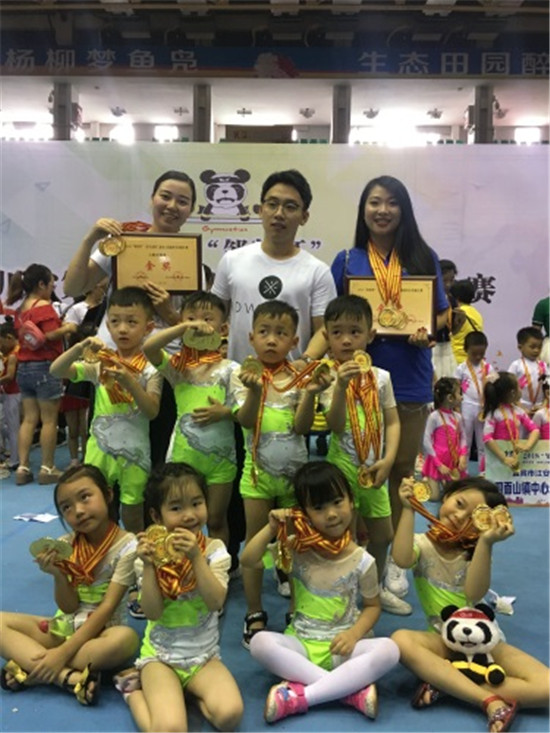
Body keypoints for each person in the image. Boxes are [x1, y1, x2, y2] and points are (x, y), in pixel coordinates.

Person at [330, 175, 450, 604]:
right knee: (356, 467)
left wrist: (426, 331)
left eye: (392, 203)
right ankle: (352, 556)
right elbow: (331, 318)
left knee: (400, 471)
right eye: (374, 202)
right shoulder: (347, 260)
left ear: (404, 210)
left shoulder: (422, 256)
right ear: (363, 209)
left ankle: (396, 562)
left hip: (409, 377)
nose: (383, 210)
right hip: (357, 379)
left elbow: (442, 314)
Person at [211, 169, 337, 576]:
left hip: (288, 392)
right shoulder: (233, 261)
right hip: (239, 385)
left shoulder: (316, 270)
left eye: (290, 206)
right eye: (272, 204)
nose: (280, 213)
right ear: (259, 209)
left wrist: (299, 369)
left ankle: (286, 565)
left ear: (304, 215)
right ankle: (236, 559)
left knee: (285, 476)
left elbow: (323, 330)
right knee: (238, 472)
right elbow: (214, 318)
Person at [241, 461, 400, 723]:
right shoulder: (295, 548)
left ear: (351, 501)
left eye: (338, 502)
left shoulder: (363, 560)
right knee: (259, 643)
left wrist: (353, 634)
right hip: (300, 645)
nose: (332, 514)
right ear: (303, 513)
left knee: (390, 649)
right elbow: (248, 560)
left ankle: (303, 695)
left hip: (344, 648)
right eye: (318, 508)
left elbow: (373, 607)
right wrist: (271, 528)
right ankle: (348, 691)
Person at [390, 476, 550, 732]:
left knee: (546, 687)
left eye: (474, 516)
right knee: (400, 640)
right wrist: (407, 508)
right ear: (447, 496)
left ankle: (447, 683)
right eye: (459, 503)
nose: (459, 516)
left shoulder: (476, 551)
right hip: (442, 640)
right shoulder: (422, 543)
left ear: (483, 524)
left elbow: (474, 593)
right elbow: (401, 558)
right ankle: (486, 699)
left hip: (485, 642)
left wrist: (486, 543)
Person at [63, 170, 197, 469]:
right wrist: (90, 238)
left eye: (182, 201)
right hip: (115, 363)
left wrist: (169, 314)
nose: (172, 206)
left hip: (164, 368)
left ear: (191, 210)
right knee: (108, 452)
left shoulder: (192, 259)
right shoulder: (122, 245)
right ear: (152, 199)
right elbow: (73, 287)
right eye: (165, 196)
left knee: (159, 457)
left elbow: (196, 332)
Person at [118, 462, 243, 733]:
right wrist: (149, 567)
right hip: (160, 658)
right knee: (171, 729)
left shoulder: (215, 550)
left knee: (230, 716)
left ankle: (185, 695)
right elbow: (152, 612)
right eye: (176, 508)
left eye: (197, 503)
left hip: (204, 658)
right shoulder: (148, 557)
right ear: (156, 515)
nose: (189, 515)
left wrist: (196, 557)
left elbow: (215, 602)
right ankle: (133, 694)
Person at [0, 464, 139, 705]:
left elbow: (107, 609)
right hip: (65, 627)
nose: (79, 511)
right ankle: (67, 678)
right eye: (67, 507)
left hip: (103, 632)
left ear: (108, 494)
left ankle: (32, 667)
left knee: (126, 640)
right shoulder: (65, 544)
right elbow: (68, 607)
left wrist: (61, 654)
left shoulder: (128, 546)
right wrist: (58, 575)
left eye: (85, 497)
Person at [235, 300, 330, 648]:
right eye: (264, 332)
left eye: (281, 333)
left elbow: (302, 428)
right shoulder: (243, 375)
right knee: (255, 542)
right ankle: (254, 610)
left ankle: (295, 609)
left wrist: (311, 395)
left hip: (295, 477)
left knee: (295, 543)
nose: (271, 339)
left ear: (295, 341)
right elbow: (245, 421)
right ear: (251, 337)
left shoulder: (300, 378)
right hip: (257, 476)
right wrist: (255, 392)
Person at [50, 287, 162, 533]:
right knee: (97, 513)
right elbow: (56, 370)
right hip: (99, 452)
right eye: (115, 322)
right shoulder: (101, 363)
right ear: (107, 326)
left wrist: (130, 382)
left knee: (133, 516)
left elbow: (152, 411)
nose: (122, 329)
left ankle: (135, 555)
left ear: (148, 327)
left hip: (135, 454)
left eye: (132, 322)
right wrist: (79, 348)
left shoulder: (151, 369)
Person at [318, 294, 404, 614]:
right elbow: (334, 425)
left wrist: (389, 460)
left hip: (375, 468)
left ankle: (374, 589)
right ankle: (344, 595)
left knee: (383, 534)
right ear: (326, 336)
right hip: (340, 470)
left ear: (370, 334)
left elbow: (393, 422)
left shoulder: (381, 377)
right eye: (337, 332)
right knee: (345, 536)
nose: (346, 340)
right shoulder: (327, 377)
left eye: (355, 332)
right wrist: (340, 387)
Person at [143, 291, 241, 547]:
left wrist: (225, 412)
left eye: (207, 319)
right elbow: (149, 348)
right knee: (177, 521)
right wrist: (182, 327)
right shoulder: (178, 368)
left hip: (221, 460)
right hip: (182, 459)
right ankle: (176, 565)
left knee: (216, 520)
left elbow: (246, 412)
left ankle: (219, 566)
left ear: (223, 328)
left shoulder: (231, 369)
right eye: (192, 318)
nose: (199, 325)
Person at [6, 264, 77, 485]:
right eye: (51, 283)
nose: (53, 287)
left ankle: (23, 467)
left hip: (24, 368)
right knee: (49, 420)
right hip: (45, 366)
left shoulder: (21, 309)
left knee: (29, 419)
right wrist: (68, 328)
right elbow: (50, 334)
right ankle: (47, 468)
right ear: (41, 284)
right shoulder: (44, 306)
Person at [482, 372, 540, 477]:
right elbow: (487, 438)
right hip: (496, 458)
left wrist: (528, 445)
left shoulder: (519, 412)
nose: (521, 389)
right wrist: (503, 457)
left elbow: (535, 430)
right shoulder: (494, 414)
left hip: (513, 457)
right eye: (519, 387)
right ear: (513, 392)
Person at [455, 331, 497, 472]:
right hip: (466, 406)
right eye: (474, 354)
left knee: (483, 441)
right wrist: (457, 409)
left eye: (481, 353)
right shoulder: (461, 368)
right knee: (465, 441)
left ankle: (483, 472)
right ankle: (463, 471)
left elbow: (493, 387)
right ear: (466, 350)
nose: (478, 357)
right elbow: (456, 389)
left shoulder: (488, 368)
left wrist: (490, 406)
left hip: (483, 407)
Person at [421, 377, 468, 501]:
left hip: (453, 460)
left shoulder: (458, 417)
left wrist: (463, 455)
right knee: (434, 497)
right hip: (437, 461)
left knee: (453, 495)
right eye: (460, 393)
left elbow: (463, 437)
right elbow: (426, 440)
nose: (462, 397)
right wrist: (438, 464)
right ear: (450, 398)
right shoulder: (434, 417)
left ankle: (444, 481)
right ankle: (428, 480)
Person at [507, 326, 547, 416]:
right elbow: (509, 388)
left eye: (539, 347)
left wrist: (543, 405)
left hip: (539, 408)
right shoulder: (516, 365)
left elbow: (547, 388)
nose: (536, 350)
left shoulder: (543, 366)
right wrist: (520, 406)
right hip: (520, 407)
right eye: (532, 347)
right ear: (520, 347)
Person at [0, 317, 21, 473]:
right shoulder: (15, 352)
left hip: (14, 393)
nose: (0, 347)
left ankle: (15, 460)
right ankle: (15, 456)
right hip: (12, 393)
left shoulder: (14, 355)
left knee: (14, 429)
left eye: (1, 343)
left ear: (9, 338)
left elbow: (10, 376)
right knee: (10, 426)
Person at [432, 259, 458, 379]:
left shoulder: (452, 300)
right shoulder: (430, 298)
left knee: (450, 381)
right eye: (444, 280)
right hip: (432, 346)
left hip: (447, 347)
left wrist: (460, 321)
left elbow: (454, 331)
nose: (448, 284)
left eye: (451, 280)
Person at [449, 279, 483, 366]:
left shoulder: (456, 313)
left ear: (456, 297)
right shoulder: (477, 314)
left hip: (455, 360)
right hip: (472, 360)